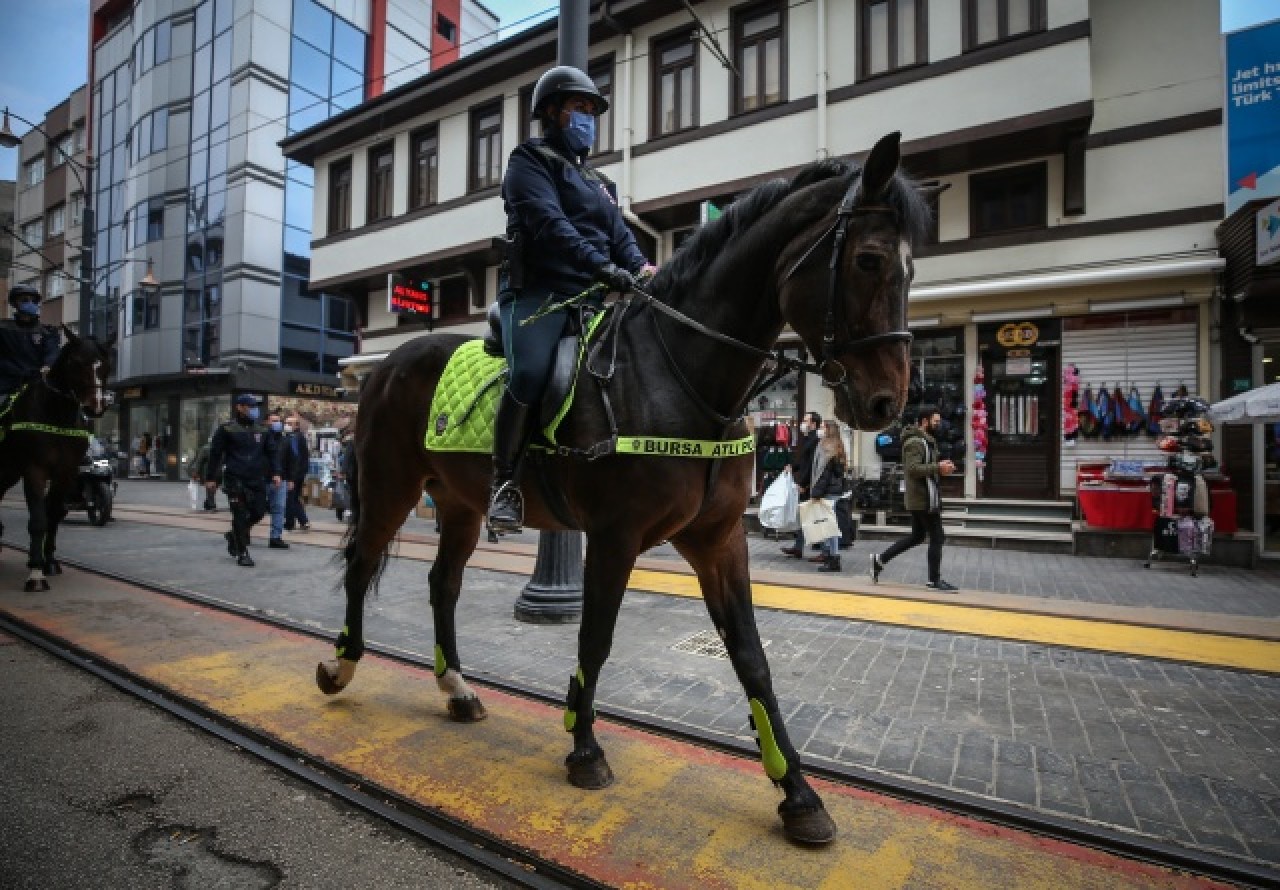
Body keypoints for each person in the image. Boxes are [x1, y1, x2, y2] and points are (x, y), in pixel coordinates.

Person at [487, 64, 656, 533]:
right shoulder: (528, 160)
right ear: (552, 113)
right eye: (578, 108)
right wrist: (601, 267)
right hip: (540, 294)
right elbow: (549, 224)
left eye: (591, 111)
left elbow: (620, 235)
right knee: (531, 370)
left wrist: (642, 269)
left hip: (595, 297)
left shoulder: (602, 182)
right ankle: (505, 485)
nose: (587, 118)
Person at [870, 408, 959, 592]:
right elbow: (912, 469)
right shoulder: (914, 442)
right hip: (922, 498)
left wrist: (941, 468)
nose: (939, 425)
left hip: (924, 496)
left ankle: (879, 560)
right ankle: (934, 580)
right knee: (937, 536)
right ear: (925, 422)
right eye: (936, 421)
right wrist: (938, 468)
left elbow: (924, 467)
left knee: (917, 536)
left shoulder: (926, 441)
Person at [206, 394, 281, 567]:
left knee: (259, 512)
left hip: (257, 478)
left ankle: (234, 535)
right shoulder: (227, 429)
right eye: (250, 406)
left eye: (255, 406)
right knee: (239, 514)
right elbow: (215, 454)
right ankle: (243, 552)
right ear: (239, 407)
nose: (254, 409)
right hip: (235, 478)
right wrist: (211, 478)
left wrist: (276, 472)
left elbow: (272, 452)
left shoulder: (262, 430)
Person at [0, 283, 61, 404]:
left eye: (34, 301)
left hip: (36, 385)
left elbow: (52, 352)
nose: (31, 303)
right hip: (6, 387)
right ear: (15, 303)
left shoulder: (47, 332)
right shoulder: (3, 328)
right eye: (25, 300)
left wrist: (48, 365)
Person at [780, 411, 822, 559]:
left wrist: (804, 484)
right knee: (805, 515)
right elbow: (803, 460)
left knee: (811, 516)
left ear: (813, 423)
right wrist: (792, 466)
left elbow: (811, 464)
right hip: (807, 483)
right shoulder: (808, 438)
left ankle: (824, 549)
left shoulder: (815, 439)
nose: (802, 423)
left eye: (805, 420)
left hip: (809, 484)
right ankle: (800, 547)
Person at [808, 419, 848, 572]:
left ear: (828, 430)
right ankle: (831, 556)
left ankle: (834, 559)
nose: (820, 429)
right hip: (835, 491)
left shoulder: (827, 448)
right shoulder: (838, 446)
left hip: (828, 492)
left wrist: (816, 492)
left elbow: (824, 474)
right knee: (830, 525)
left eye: (823, 427)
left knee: (830, 527)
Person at [282, 415, 311, 532]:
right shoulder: (298, 437)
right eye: (286, 423)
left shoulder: (295, 438)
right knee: (293, 497)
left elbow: (295, 457)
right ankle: (302, 521)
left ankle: (291, 522)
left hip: (295, 474)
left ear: (296, 425)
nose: (287, 425)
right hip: (299, 472)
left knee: (290, 498)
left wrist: (292, 475)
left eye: (290, 423)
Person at [264, 410, 289, 549]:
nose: (277, 424)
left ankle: (275, 537)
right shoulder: (261, 437)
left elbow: (291, 460)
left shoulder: (285, 440)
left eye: (278, 421)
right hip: (263, 478)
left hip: (281, 479)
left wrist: (290, 478)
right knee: (256, 508)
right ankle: (243, 531)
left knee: (279, 508)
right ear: (266, 422)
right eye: (273, 421)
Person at [190, 435, 218, 511]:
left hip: (208, 472)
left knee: (209, 488)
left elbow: (199, 461)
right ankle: (208, 503)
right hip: (218, 472)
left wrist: (196, 472)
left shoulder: (205, 449)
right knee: (212, 488)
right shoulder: (220, 448)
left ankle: (211, 504)